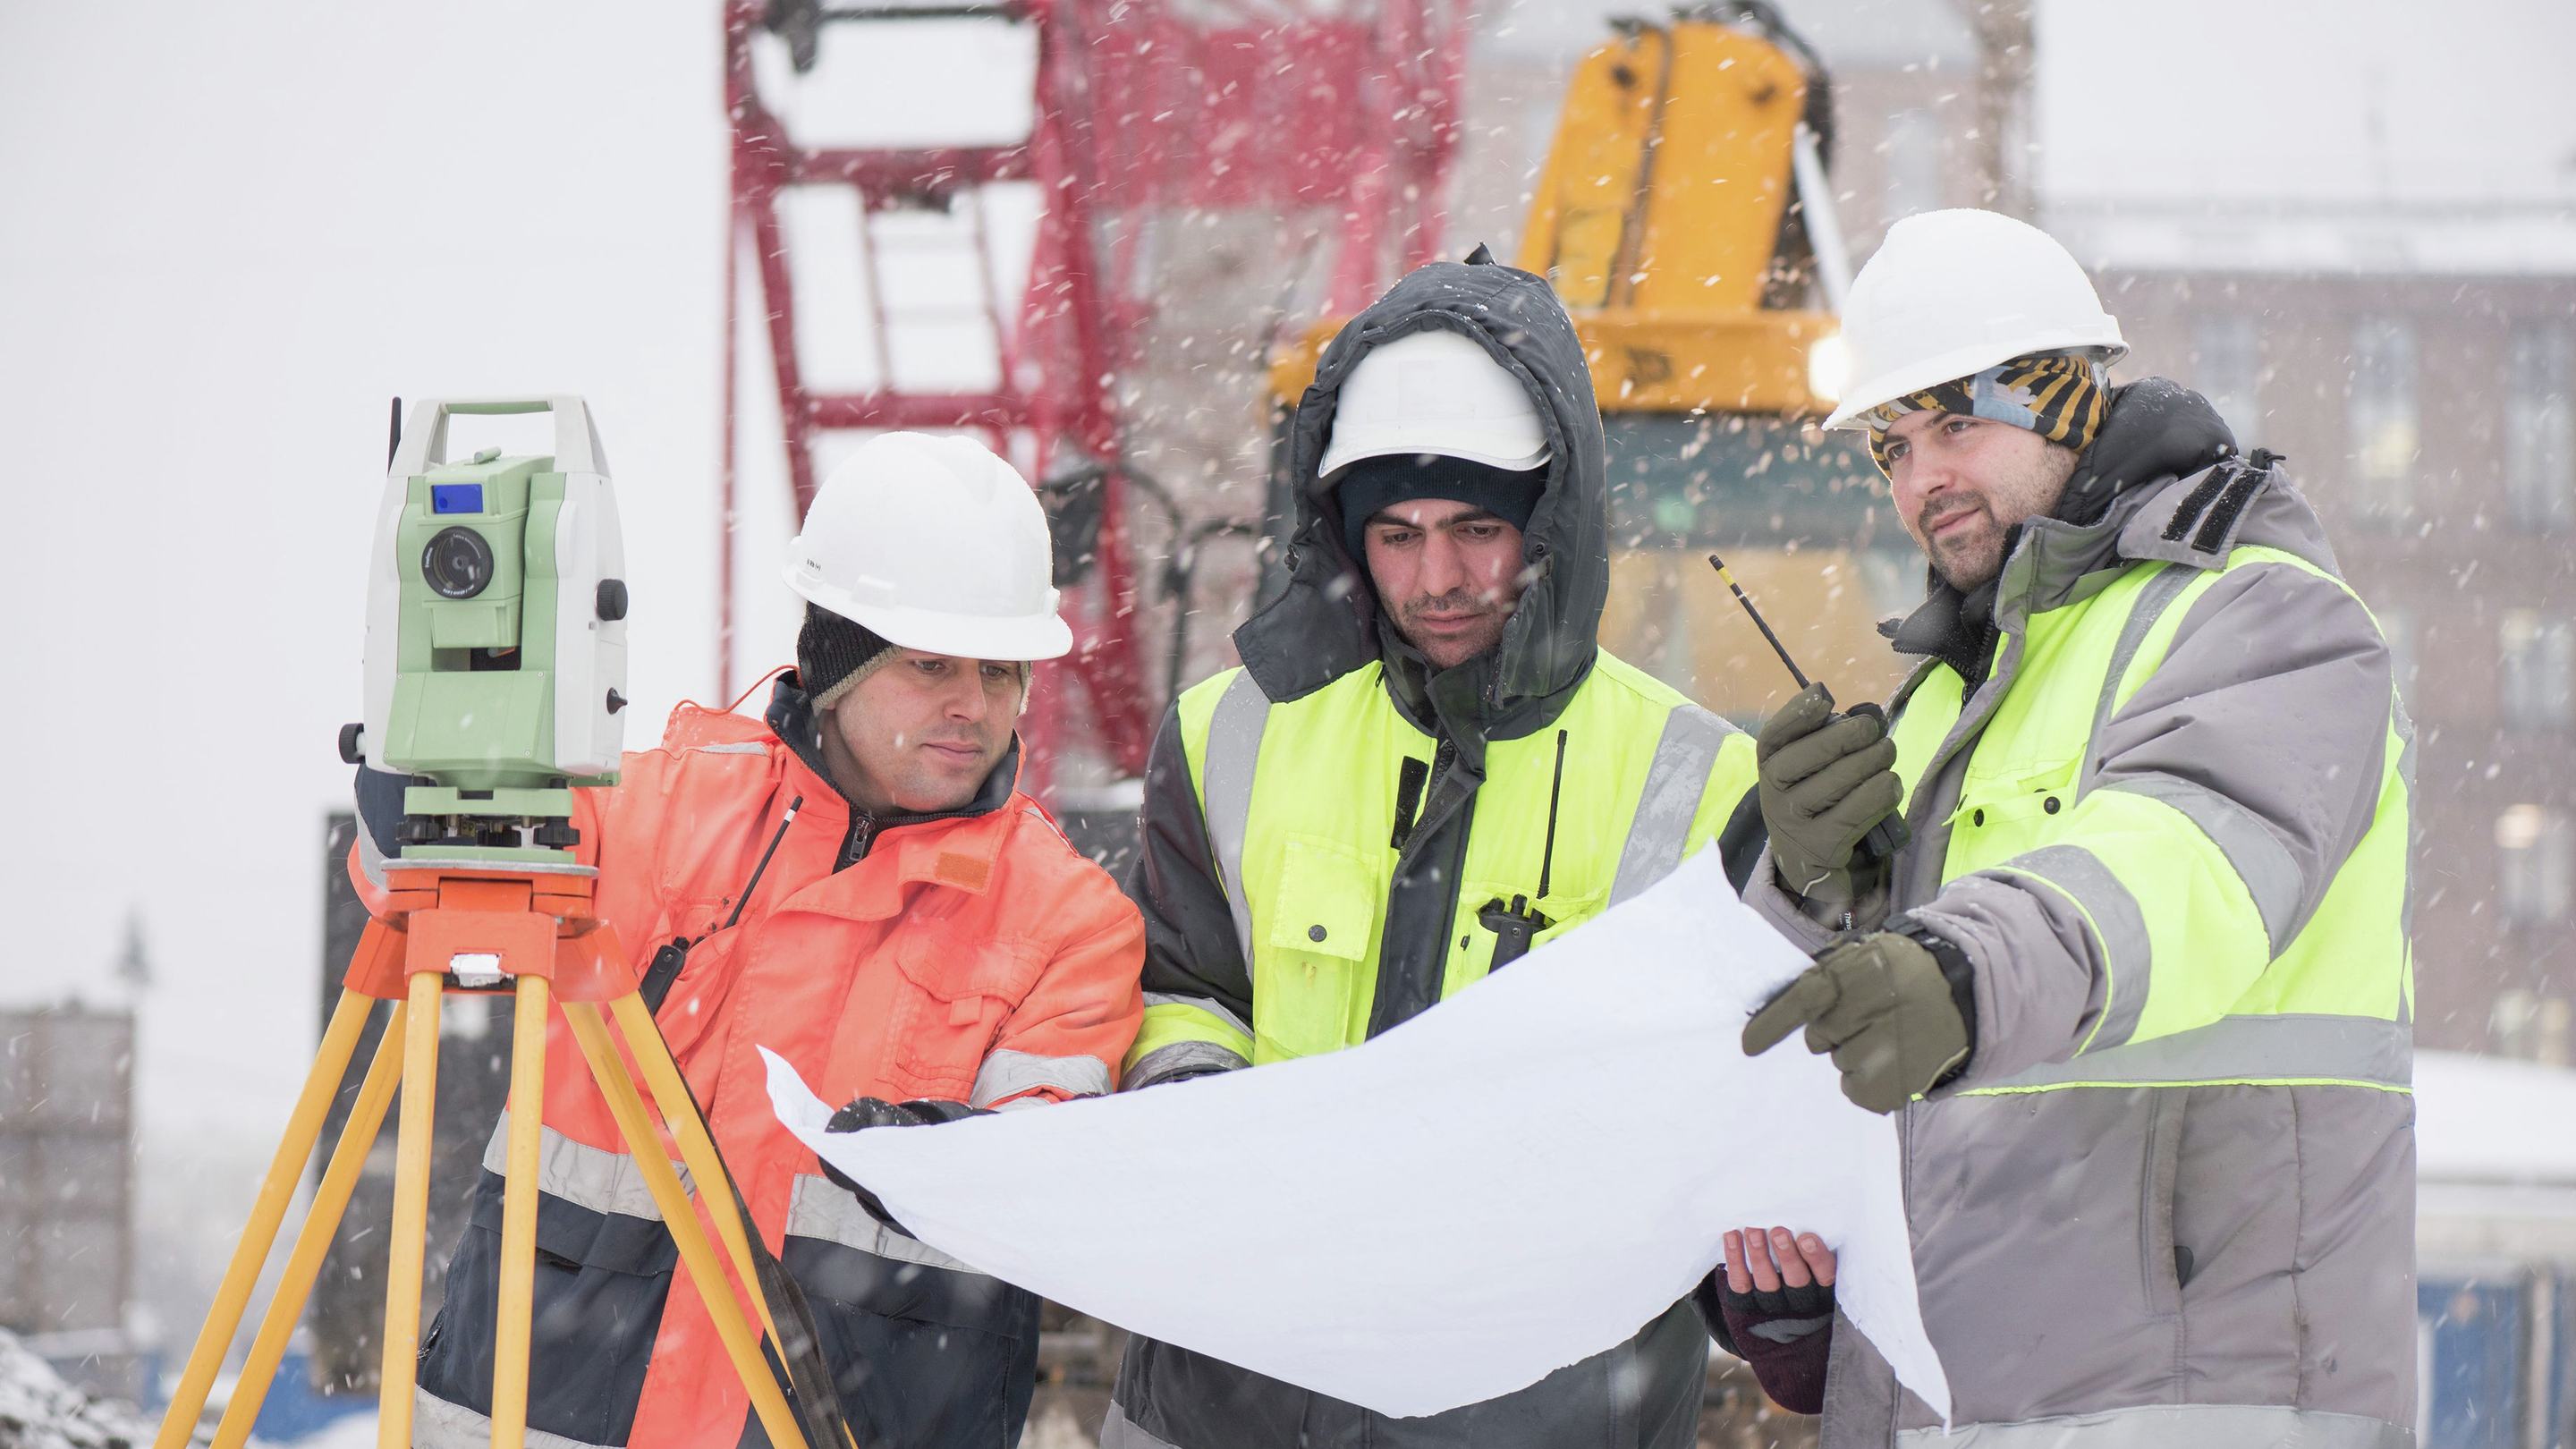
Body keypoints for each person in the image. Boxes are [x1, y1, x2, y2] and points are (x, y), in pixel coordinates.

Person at [1097, 250, 1800, 1449]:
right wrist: (1198, 1115)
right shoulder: (1227, 736)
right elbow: (1182, 990)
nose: (1438, 580)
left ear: (1551, 522)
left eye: (1478, 528)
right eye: (1398, 534)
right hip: (1239, 1399)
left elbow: (1744, 1136)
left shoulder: (1702, 781)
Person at [1741, 208, 2416, 1445]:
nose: (1919, 478)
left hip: (2204, 1402)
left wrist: (1953, 967)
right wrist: (1803, 884)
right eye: (1890, 447)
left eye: (1955, 423)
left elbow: (2179, 866)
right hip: (1967, 1404)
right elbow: (1853, 1047)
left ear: (2064, 398)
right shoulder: (1955, 690)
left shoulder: (2266, 619)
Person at [349, 432, 1147, 1449]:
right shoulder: (656, 810)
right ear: (835, 656)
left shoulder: (1068, 923)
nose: (973, 706)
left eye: (1001, 672)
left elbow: (1042, 1178)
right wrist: (421, 798)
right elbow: (423, 896)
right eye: (931, 663)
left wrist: (940, 1163)